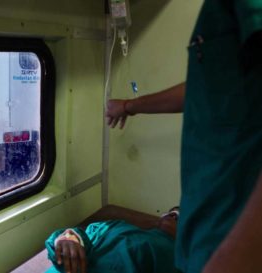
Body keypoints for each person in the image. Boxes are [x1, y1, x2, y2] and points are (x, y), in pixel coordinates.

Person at [106, 2, 262, 272]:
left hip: (231, 239)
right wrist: (131, 106)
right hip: (204, 237)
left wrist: (236, 255)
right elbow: (206, 88)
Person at [45, 207, 180, 273]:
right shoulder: (116, 224)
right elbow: (81, 234)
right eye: (172, 212)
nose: (173, 216)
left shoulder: (182, 259)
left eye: (181, 217)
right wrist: (68, 238)